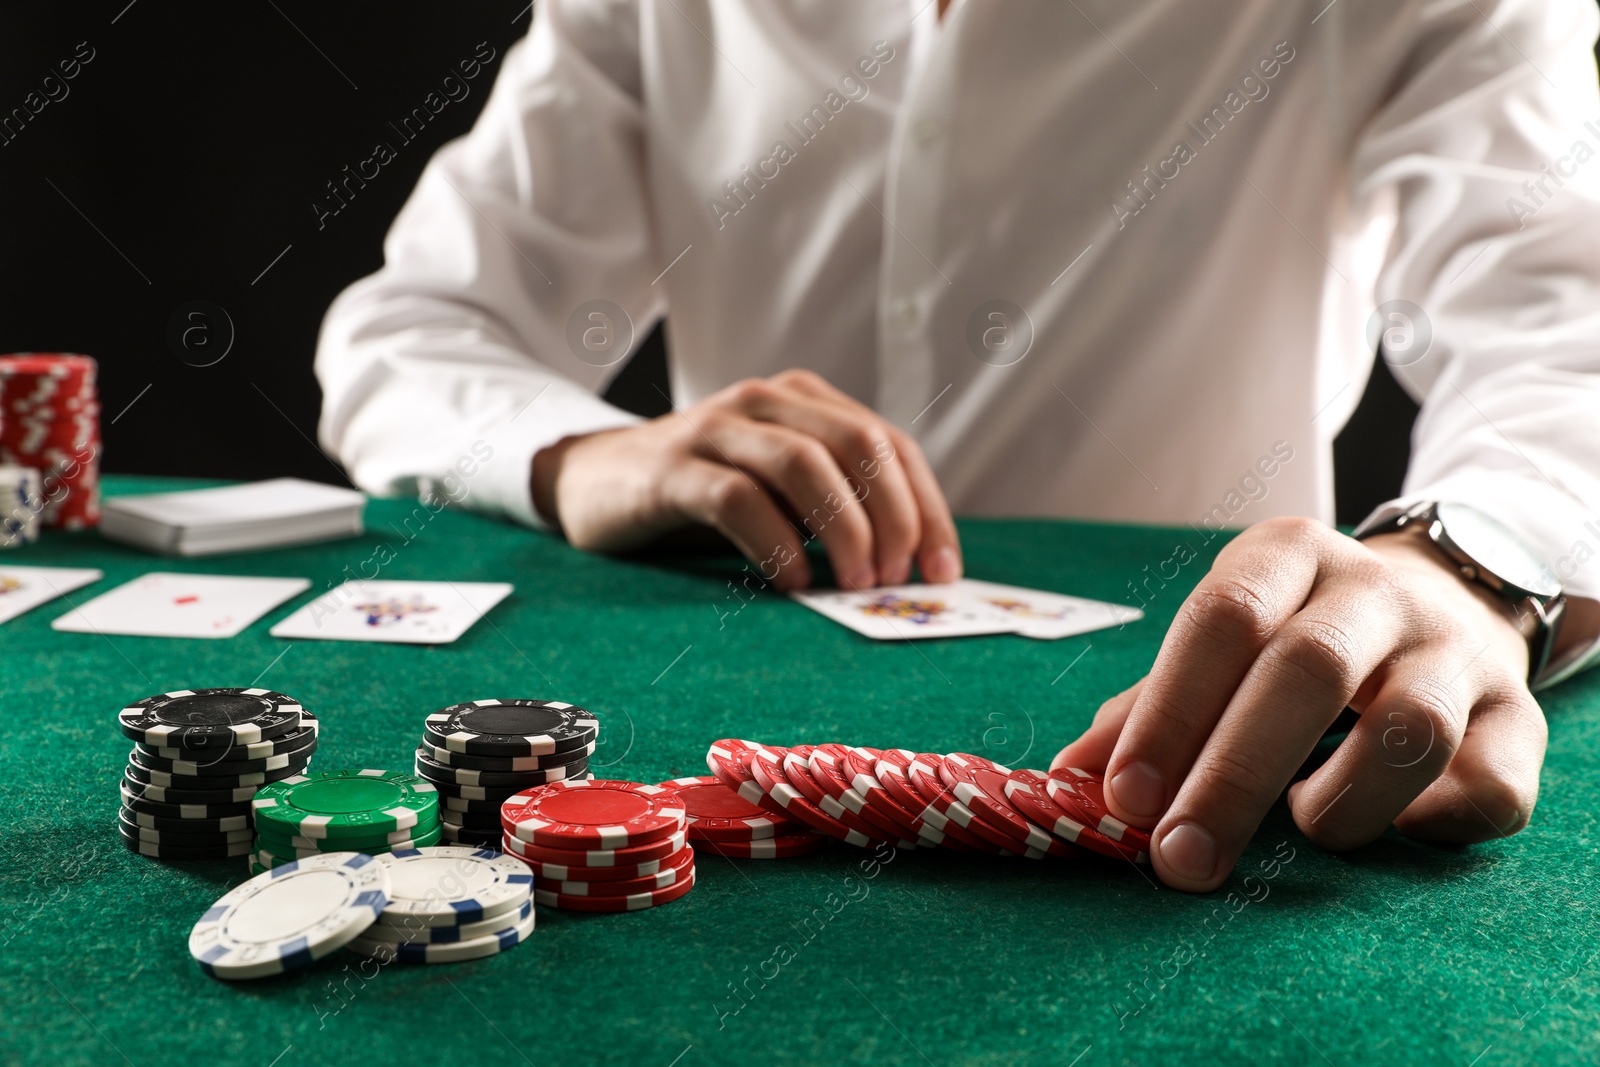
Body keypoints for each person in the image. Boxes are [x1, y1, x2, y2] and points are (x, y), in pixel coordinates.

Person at [315, 0, 1600, 892]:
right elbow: (410, 332)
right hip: (736, 650)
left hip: (1204, 721)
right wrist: (581, 453)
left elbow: (1564, 338)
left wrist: (1472, 568)